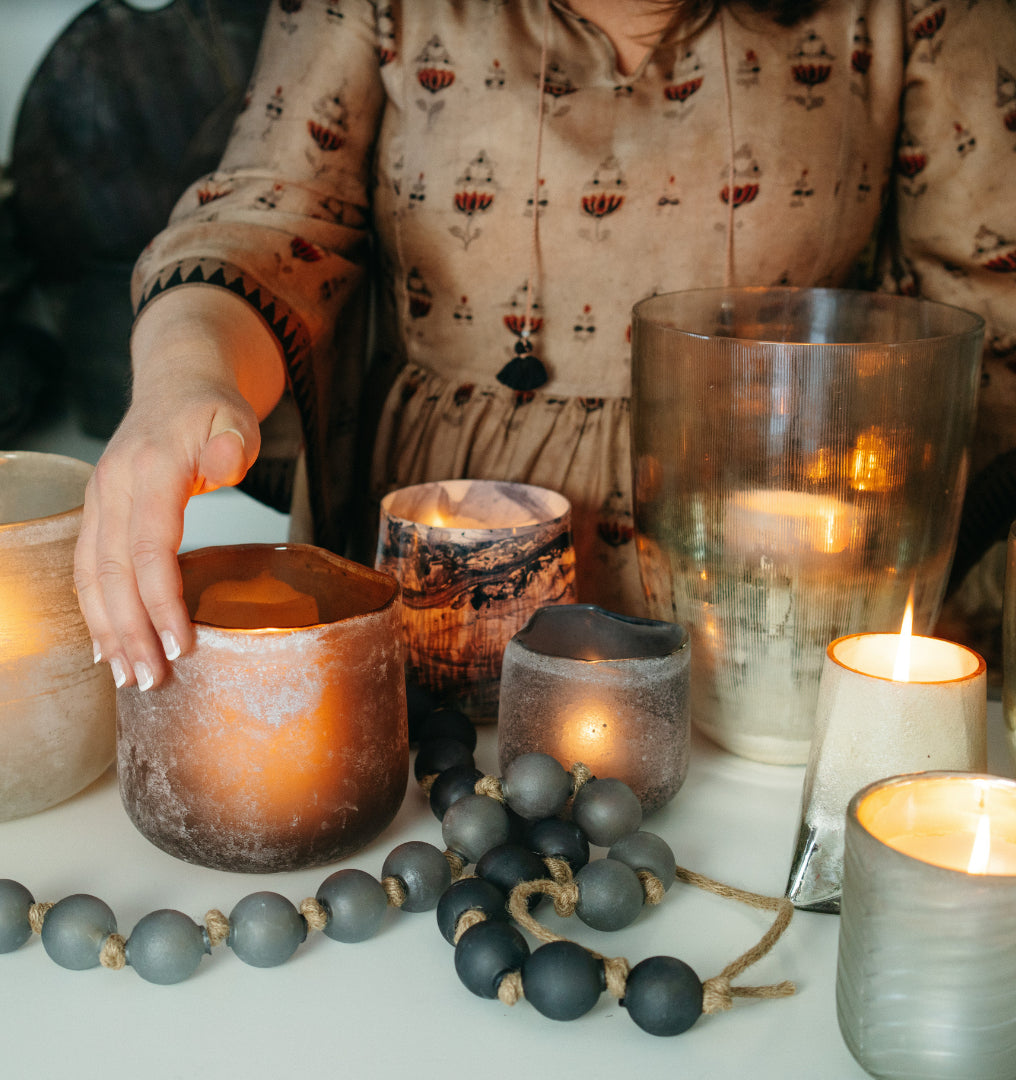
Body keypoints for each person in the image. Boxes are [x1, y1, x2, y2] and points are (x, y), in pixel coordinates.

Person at [75, 0, 1016, 691]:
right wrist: (181, 381)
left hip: (773, 617)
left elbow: (992, 311)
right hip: (429, 611)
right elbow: (271, 221)